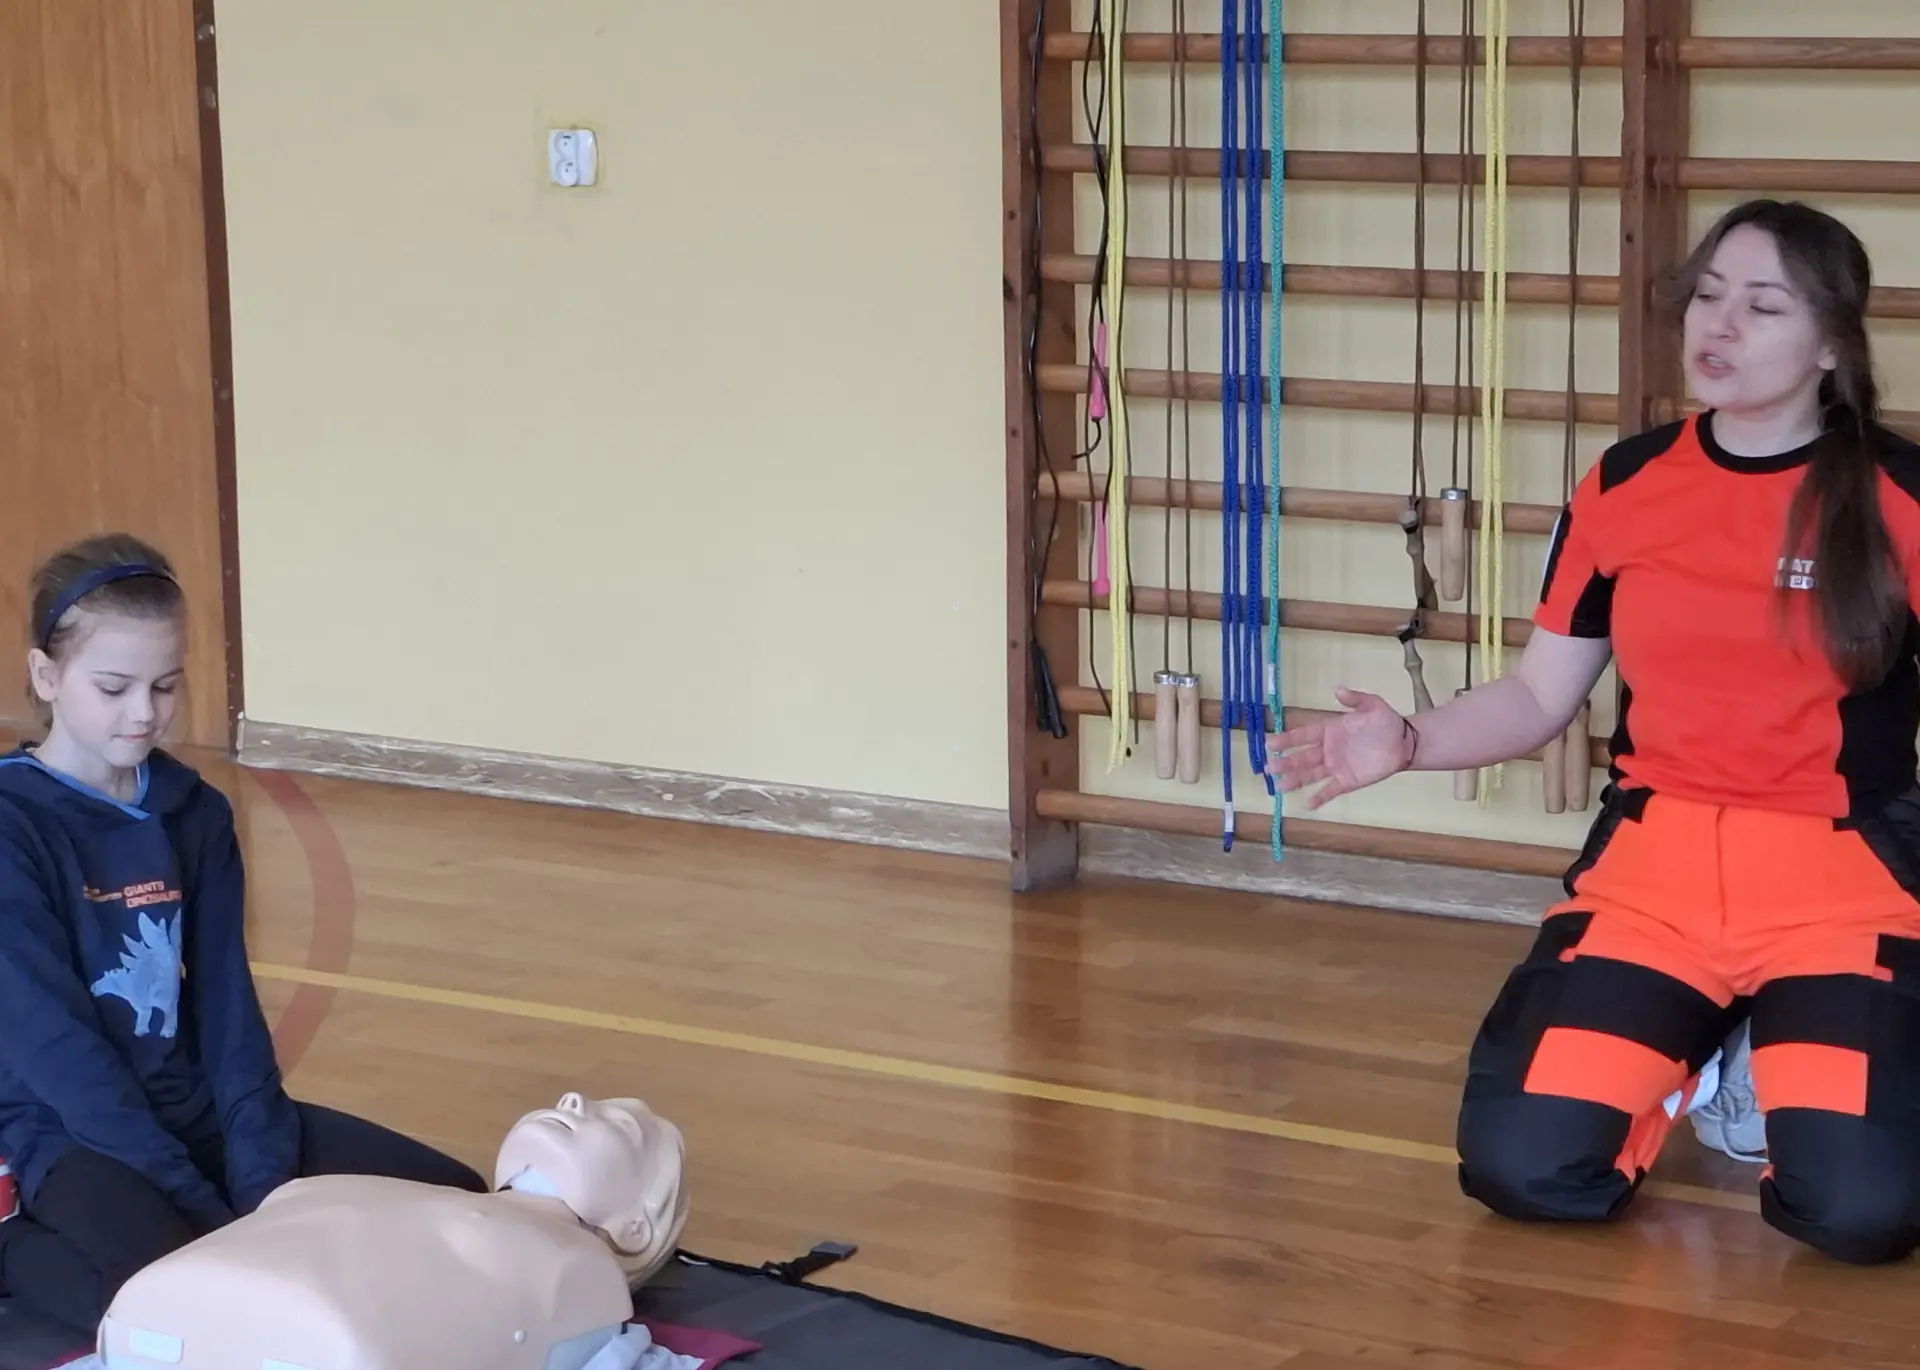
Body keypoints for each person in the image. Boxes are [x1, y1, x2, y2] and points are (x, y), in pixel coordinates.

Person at [1266, 198, 1920, 1266]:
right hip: (1656, 879)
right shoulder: (1625, 483)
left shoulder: (1901, 495)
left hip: (1842, 890)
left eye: (1763, 306)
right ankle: (1711, 1051)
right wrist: (1411, 740)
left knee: (1861, 1212)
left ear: (1831, 345)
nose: (1719, 324)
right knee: (1523, 1168)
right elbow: (1539, 696)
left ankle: (1778, 1046)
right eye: (1707, 296)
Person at [0, 533, 489, 1332]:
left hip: (192, 1109)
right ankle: (14, 1246)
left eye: (165, 686)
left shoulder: (195, 811)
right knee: (192, 1310)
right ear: (46, 677)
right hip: (73, 1133)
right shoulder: (13, 823)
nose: (144, 713)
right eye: (114, 687)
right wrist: (206, 1212)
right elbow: (58, 1055)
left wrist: (265, 1193)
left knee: (459, 1203)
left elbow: (228, 1010)